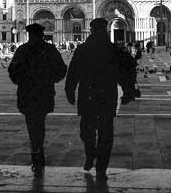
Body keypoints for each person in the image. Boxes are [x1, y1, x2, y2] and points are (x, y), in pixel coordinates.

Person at [65, 17, 131, 181]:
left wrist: (70, 89)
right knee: (92, 131)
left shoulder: (110, 49)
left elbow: (123, 72)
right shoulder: (90, 49)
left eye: (103, 29)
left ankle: (100, 166)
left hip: (94, 95)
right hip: (102, 95)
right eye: (99, 29)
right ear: (94, 30)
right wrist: (69, 89)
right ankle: (92, 154)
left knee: (101, 132)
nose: (101, 32)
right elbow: (73, 71)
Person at [8, 23, 67, 177]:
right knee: (39, 123)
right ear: (42, 35)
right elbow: (61, 69)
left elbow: (12, 71)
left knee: (32, 124)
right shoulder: (49, 50)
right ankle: (38, 152)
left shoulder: (22, 50)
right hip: (44, 93)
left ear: (30, 35)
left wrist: (21, 81)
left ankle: (36, 153)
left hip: (27, 94)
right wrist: (50, 79)